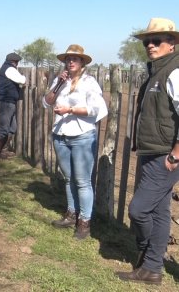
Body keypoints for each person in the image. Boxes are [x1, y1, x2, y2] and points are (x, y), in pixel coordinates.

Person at [115, 18, 179, 285]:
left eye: (157, 41)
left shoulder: (174, 71)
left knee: (139, 210)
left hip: (165, 154)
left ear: (172, 44)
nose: (150, 45)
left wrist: (176, 153)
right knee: (159, 211)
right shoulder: (155, 72)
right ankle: (152, 269)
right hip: (150, 151)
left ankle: (146, 251)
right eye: (146, 42)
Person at [42, 44, 107, 240]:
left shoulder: (89, 83)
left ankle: (84, 221)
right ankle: (71, 213)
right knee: (69, 178)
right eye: (68, 59)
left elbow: (97, 109)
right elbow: (47, 102)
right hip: (61, 135)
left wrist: (70, 110)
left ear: (82, 63)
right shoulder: (59, 80)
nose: (70, 62)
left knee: (83, 181)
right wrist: (58, 85)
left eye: (75, 59)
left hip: (82, 136)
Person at [0, 52, 25, 159]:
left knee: (12, 128)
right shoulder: (9, 69)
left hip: (8, 102)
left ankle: (2, 149)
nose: (17, 64)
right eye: (17, 62)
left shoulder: (6, 68)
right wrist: (24, 77)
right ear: (14, 62)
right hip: (5, 102)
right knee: (4, 129)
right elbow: (22, 80)